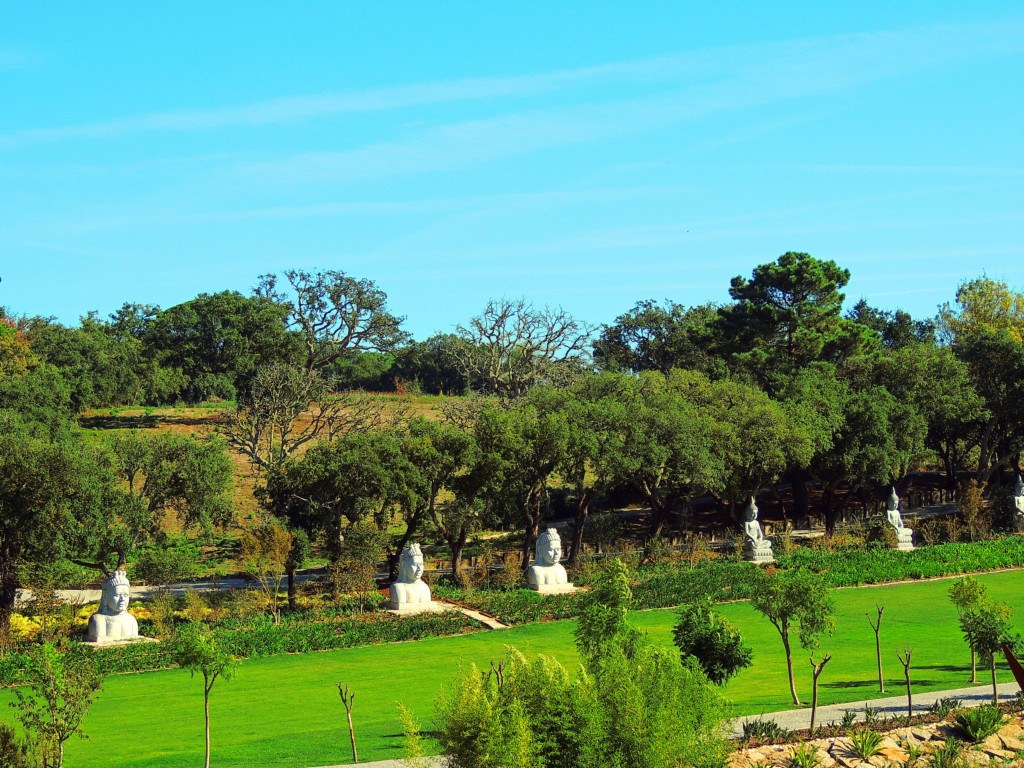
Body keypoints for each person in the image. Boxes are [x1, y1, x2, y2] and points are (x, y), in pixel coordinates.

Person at [86, 570, 139, 643]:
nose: (122, 599)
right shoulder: (98, 620)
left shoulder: (131, 620)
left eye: (126, 595)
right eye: (117, 595)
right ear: (106, 597)